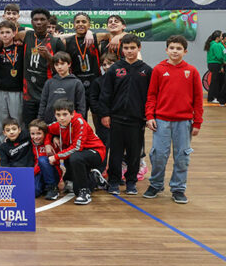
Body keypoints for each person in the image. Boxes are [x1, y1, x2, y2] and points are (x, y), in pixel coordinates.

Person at [144, 36, 203, 204]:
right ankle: (156, 184)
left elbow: (198, 99)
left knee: (182, 157)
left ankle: (178, 188)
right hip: (161, 121)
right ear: (166, 50)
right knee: (158, 155)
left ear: (185, 51)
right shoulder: (158, 70)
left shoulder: (192, 71)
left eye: (178, 48)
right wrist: (150, 116)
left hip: (184, 122)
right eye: (172, 48)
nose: (175, 51)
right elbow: (151, 95)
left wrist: (197, 122)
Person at [0, 8, 66, 127]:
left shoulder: (56, 42)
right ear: (31, 22)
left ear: (48, 21)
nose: (39, 22)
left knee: (47, 126)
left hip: (47, 92)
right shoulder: (25, 35)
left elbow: (62, 69)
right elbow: (7, 37)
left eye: (42, 19)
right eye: (35, 20)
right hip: (28, 94)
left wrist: (49, 57)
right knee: (29, 127)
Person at [100, 34, 152, 196]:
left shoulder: (147, 70)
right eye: (126, 48)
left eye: (133, 48)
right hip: (116, 118)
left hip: (137, 120)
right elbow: (106, 93)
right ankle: (114, 182)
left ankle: (131, 182)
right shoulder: (115, 69)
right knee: (115, 152)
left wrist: (148, 115)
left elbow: (150, 96)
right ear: (122, 49)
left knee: (134, 153)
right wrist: (105, 114)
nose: (129, 51)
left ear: (139, 48)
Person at [47, 99, 107, 205]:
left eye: (65, 114)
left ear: (72, 114)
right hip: (78, 154)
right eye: (58, 115)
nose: (61, 118)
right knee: (74, 189)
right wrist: (49, 141)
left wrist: (56, 157)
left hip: (95, 152)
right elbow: (45, 129)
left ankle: (84, 192)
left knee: (75, 157)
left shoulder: (79, 122)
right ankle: (94, 178)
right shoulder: (58, 124)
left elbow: (76, 148)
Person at [0, 20, 24, 152]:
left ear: (14, 33)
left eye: (8, 32)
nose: (5, 35)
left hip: (17, 90)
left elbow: (28, 33)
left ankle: (19, 151)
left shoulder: (21, 48)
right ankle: (3, 152)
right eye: (2, 33)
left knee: (17, 122)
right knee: (0, 123)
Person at [38, 51, 86, 123]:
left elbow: (81, 106)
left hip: (70, 123)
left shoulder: (77, 83)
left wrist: (78, 122)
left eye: (62, 64)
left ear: (69, 64)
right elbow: (43, 104)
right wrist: (40, 120)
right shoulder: (49, 82)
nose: (59, 67)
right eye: (56, 64)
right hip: (50, 122)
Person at [29, 119, 60, 200]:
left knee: (42, 160)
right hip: (38, 173)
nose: (36, 137)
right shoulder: (29, 143)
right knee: (34, 192)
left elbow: (54, 162)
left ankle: (52, 188)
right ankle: (43, 188)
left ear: (45, 133)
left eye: (39, 133)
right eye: (32, 134)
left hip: (53, 172)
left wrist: (31, 173)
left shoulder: (52, 142)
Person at [204, 30, 224, 103]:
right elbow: (219, 56)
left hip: (212, 64)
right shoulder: (215, 45)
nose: (222, 37)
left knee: (215, 81)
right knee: (214, 82)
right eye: (221, 36)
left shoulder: (212, 44)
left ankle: (212, 97)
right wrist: (224, 60)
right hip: (215, 64)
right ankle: (211, 98)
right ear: (217, 37)